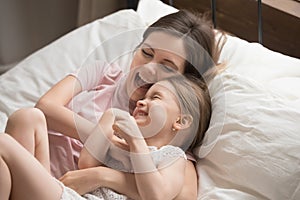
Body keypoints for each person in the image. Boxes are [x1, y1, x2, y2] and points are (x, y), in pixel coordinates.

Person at [5, 9, 225, 199]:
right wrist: (110, 140)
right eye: (146, 53)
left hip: (62, 191)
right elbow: (45, 107)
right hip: (37, 168)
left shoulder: (164, 139)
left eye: (167, 67)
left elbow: (180, 195)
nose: (147, 68)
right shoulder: (102, 73)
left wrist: (104, 175)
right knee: (26, 118)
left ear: (181, 81)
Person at [0, 74, 211, 200]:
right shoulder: (122, 145)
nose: (141, 102)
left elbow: (156, 196)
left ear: (181, 121)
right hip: (68, 193)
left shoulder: (173, 157)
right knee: (26, 118)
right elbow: (86, 163)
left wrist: (137, 141)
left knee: (3, 145)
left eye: (155, 97)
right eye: (144, 97)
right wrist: (110, 117)